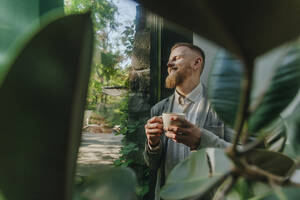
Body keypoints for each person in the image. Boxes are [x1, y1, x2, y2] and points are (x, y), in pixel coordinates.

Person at [144, 43, 235, 200]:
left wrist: (201, 140)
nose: (168, 64)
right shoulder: (158, 109)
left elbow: (241, 155)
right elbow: (152, 164)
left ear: (196, 63)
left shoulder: (223, 107)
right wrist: (153, 144)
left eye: (176, 58)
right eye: (169, 60)